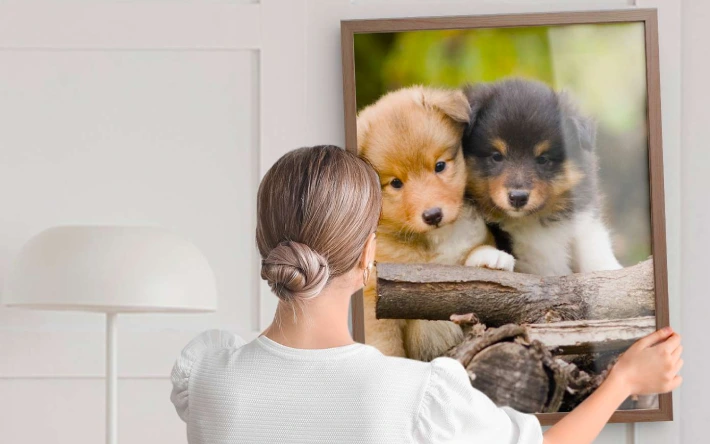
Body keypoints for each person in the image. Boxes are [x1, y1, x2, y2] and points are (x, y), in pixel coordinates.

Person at [169, 146, 683, 444]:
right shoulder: (411, 394)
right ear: (369, 253)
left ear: (265, 243)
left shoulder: (208, 373)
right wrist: (624, 380)